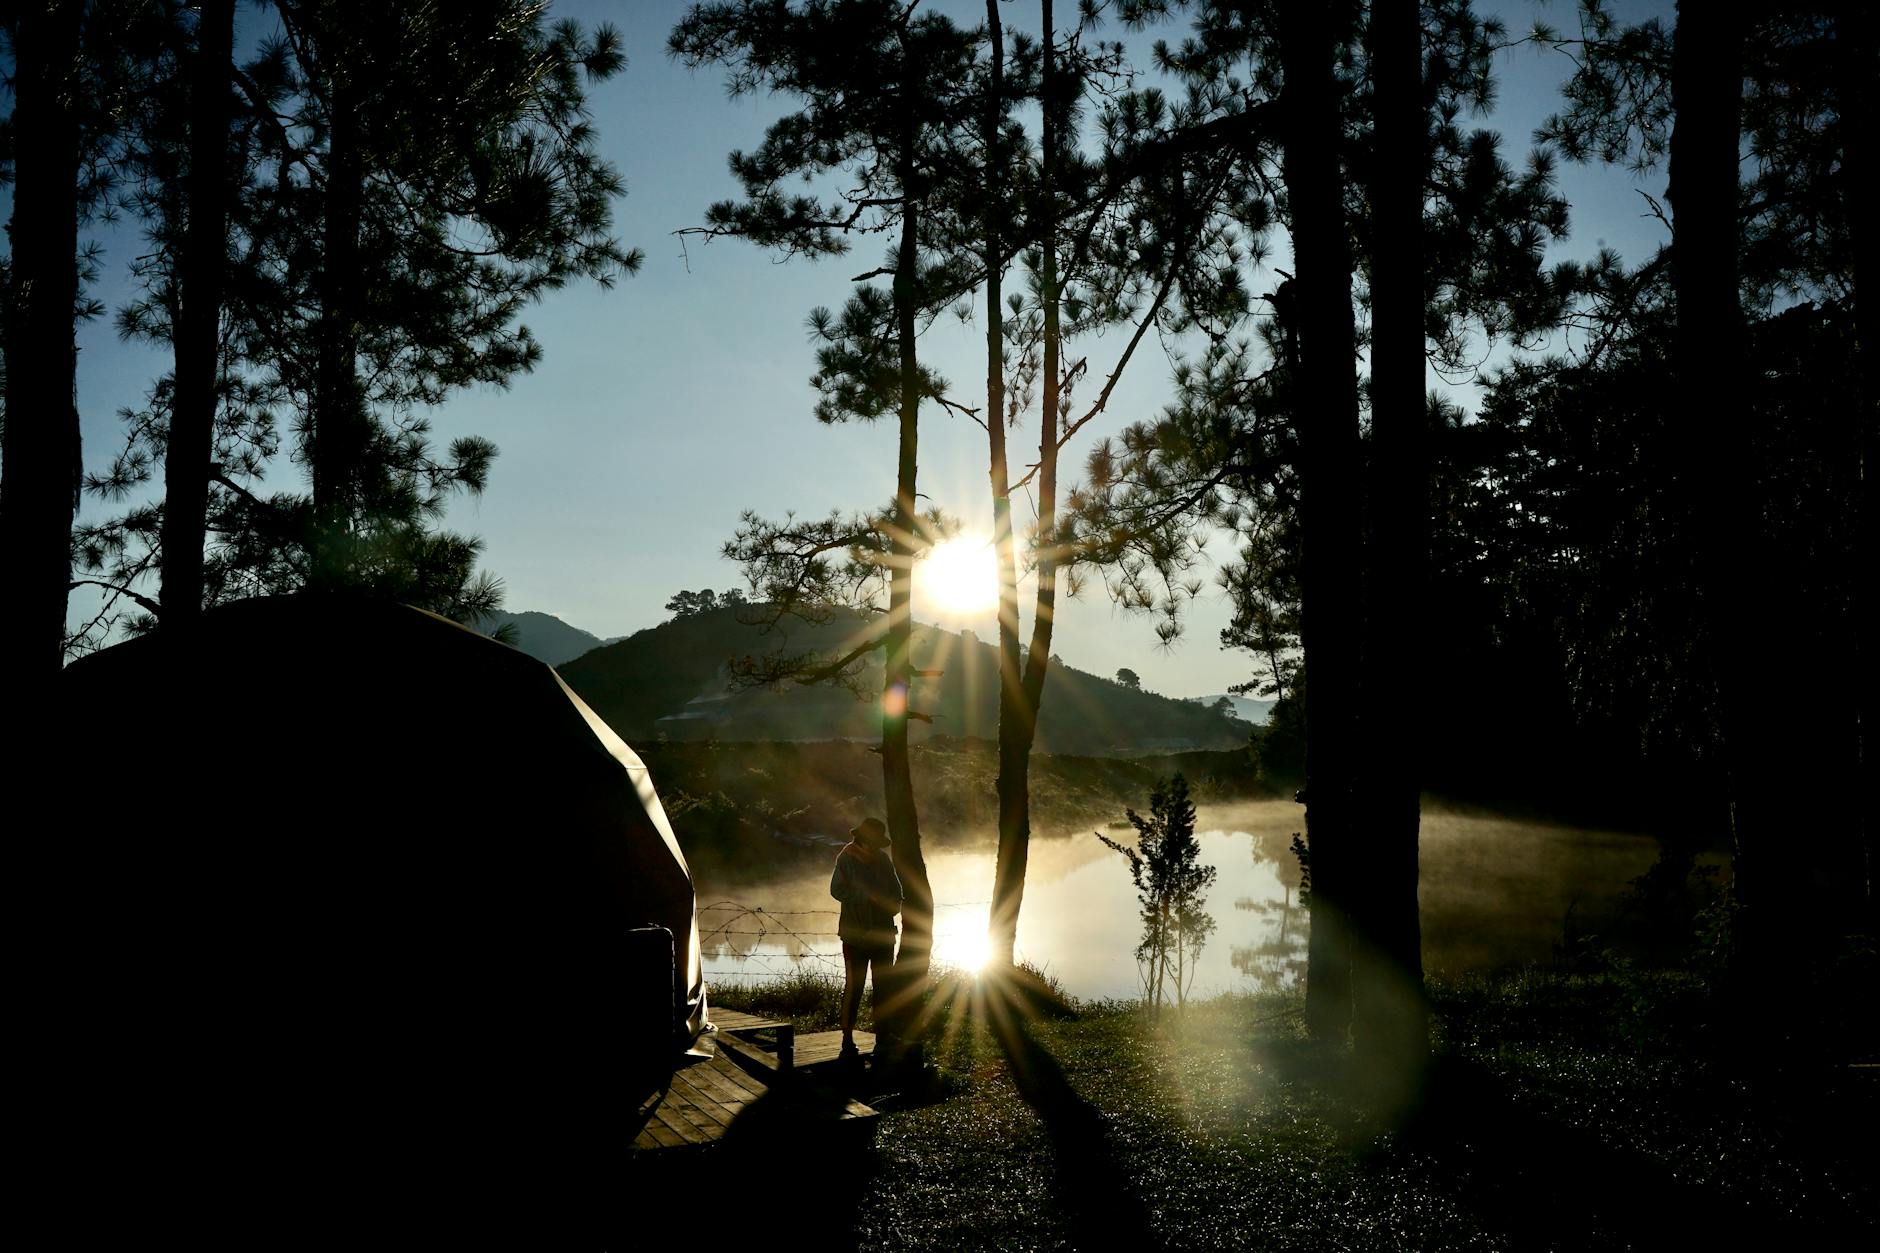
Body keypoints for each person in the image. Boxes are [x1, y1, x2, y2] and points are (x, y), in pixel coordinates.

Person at [829, 817, 901, 1063]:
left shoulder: (883, 859)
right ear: (861, 838)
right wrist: (867, 897)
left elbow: (896, 892)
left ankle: (884, 1038)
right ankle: (847, 1040)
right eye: (871, 841)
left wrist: (891, 904)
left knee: (884, 988)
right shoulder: (846, 858)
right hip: (855, 935)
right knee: (854, 988)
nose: (874, 846)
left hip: (883, 934)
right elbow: (837, 890)